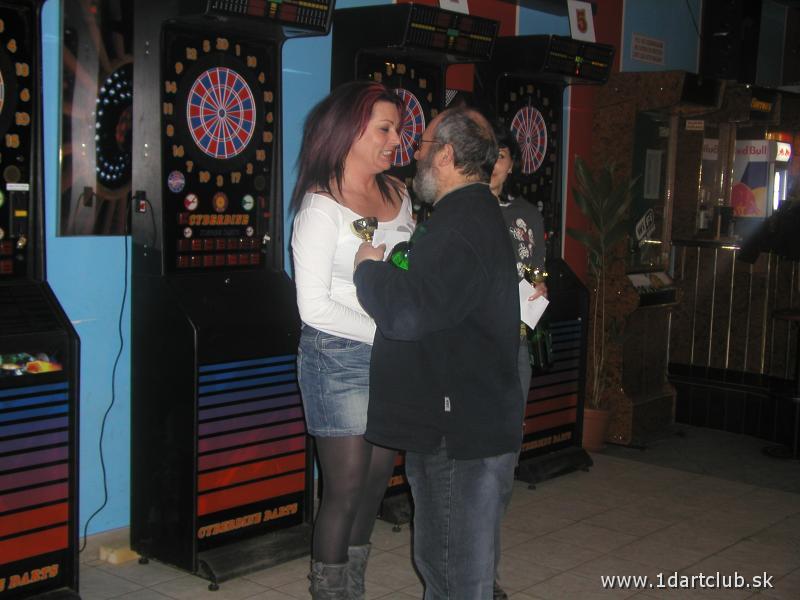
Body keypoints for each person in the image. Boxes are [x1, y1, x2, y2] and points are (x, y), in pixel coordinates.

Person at [353, 107, 523, 599]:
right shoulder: (472, 215)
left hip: (458, 435)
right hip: (470, 421)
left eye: (422, 147)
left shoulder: (460, 225)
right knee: (458, 572)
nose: (414, 157)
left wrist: (368, 270)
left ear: (446, 155)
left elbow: (408, 315)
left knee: (451, 575)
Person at [290, 81, 415, 599]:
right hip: (336, 357)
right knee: (343, 488)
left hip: (391, 357)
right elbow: (313, 306)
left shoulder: (400, 194)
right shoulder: (321, 207)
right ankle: (330, 592)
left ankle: (352, 589)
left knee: (374, 484)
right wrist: (390, 332)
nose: (396, 140)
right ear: (349, 131)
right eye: (385, 129)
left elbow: (408, 272)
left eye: (398, 129)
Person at [489, 122, 548, 600]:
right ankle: (474, 569)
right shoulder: (455, 209)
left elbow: (537, 273)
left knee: (504, 458)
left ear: (512, 164)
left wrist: (539, 288)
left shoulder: (527, 216)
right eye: (488, 154)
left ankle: (485, 568)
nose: (495, 164)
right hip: (470, 347)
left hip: (516, 344)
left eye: (503, 156)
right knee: (473, 462)